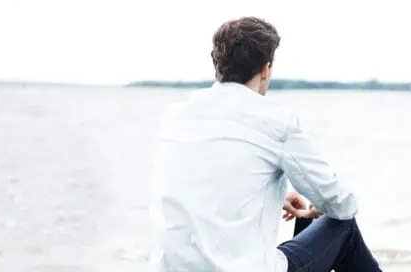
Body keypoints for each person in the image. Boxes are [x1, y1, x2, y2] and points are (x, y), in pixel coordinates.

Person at [149, 16, 383, 272]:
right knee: (343, 227)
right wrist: (320, 203)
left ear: (217, 64)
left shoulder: (176, 116)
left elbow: (202, 183)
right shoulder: (275, 121)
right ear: (265, 69)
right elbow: (342, 204)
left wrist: (273, 195)